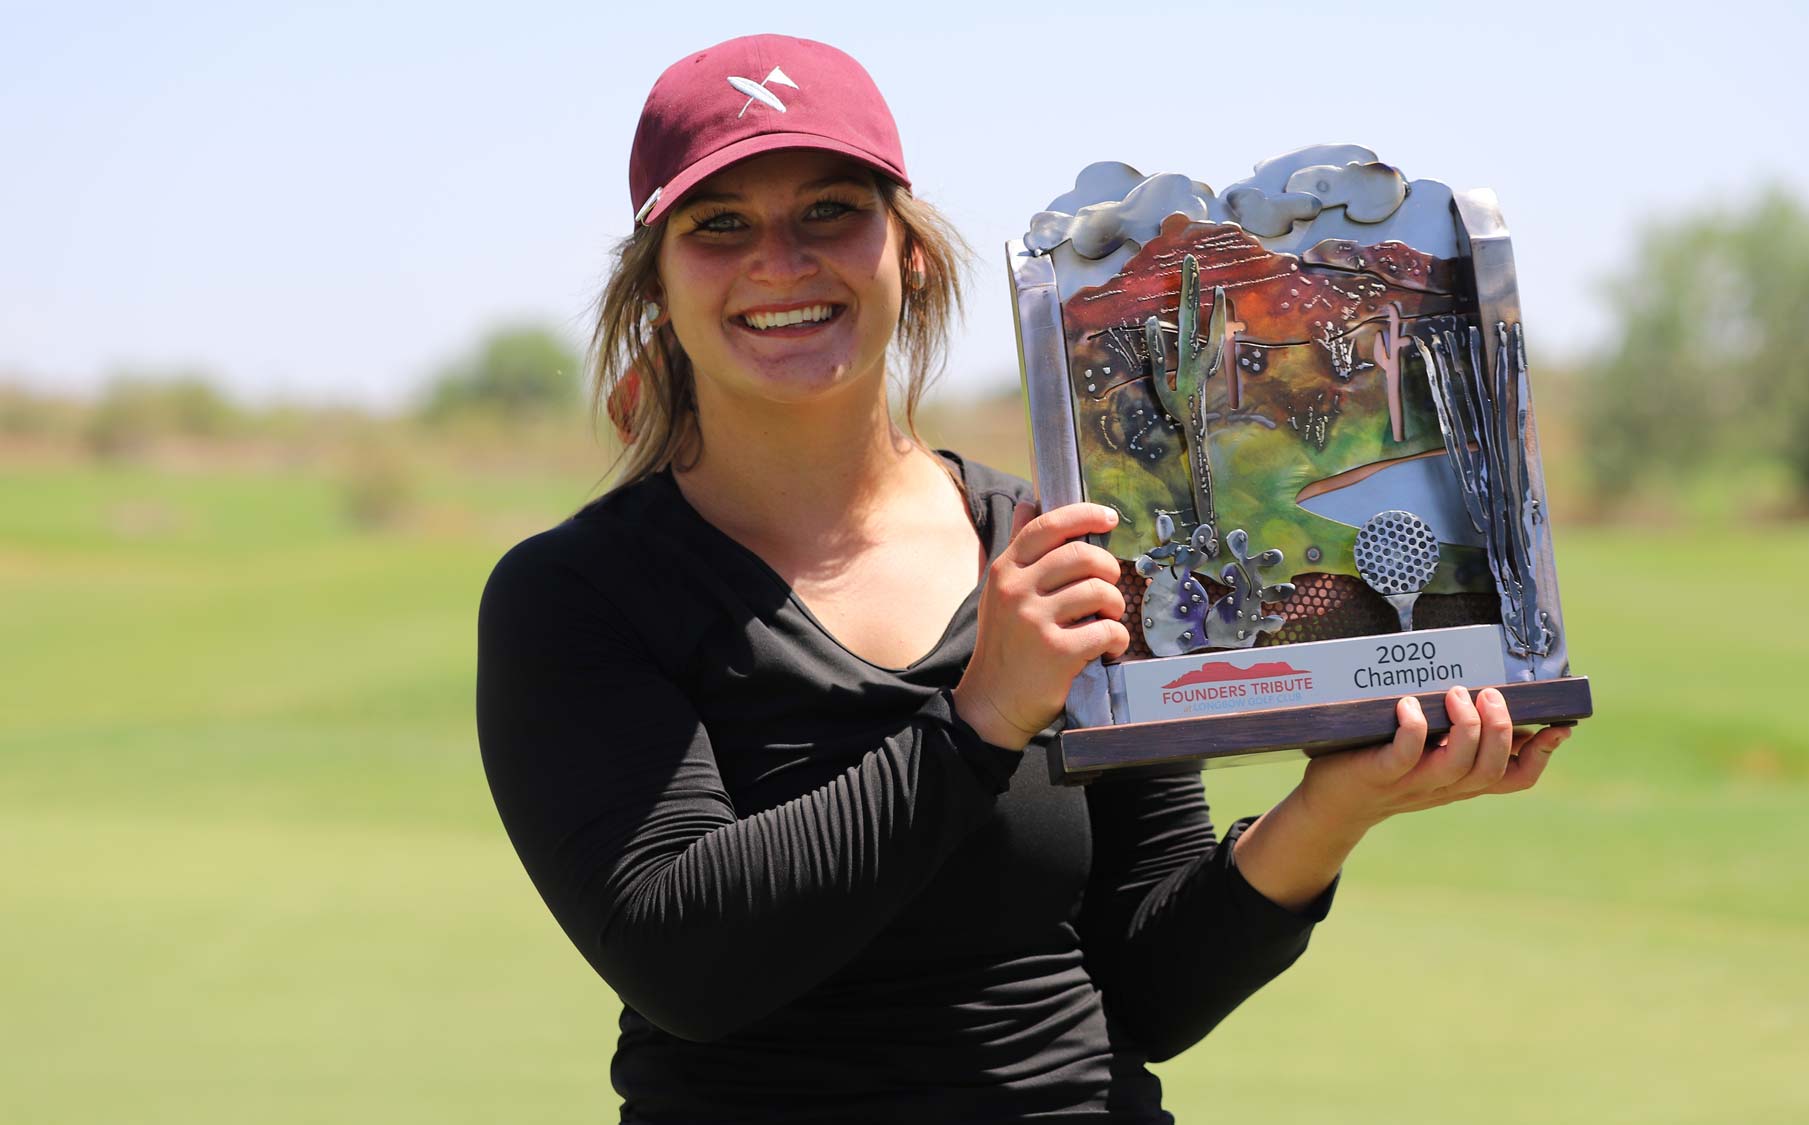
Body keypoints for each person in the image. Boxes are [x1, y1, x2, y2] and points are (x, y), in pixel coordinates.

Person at [475, 33, 1573, 1124]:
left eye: (829, 210)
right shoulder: (574, 596)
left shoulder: (1064, 543)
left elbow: (1146, 995)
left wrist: (1332, 809)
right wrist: (977, 720)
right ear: (655, 284)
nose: (779, 258)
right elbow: (686, 967)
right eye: (718, 225)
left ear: (906, 253)